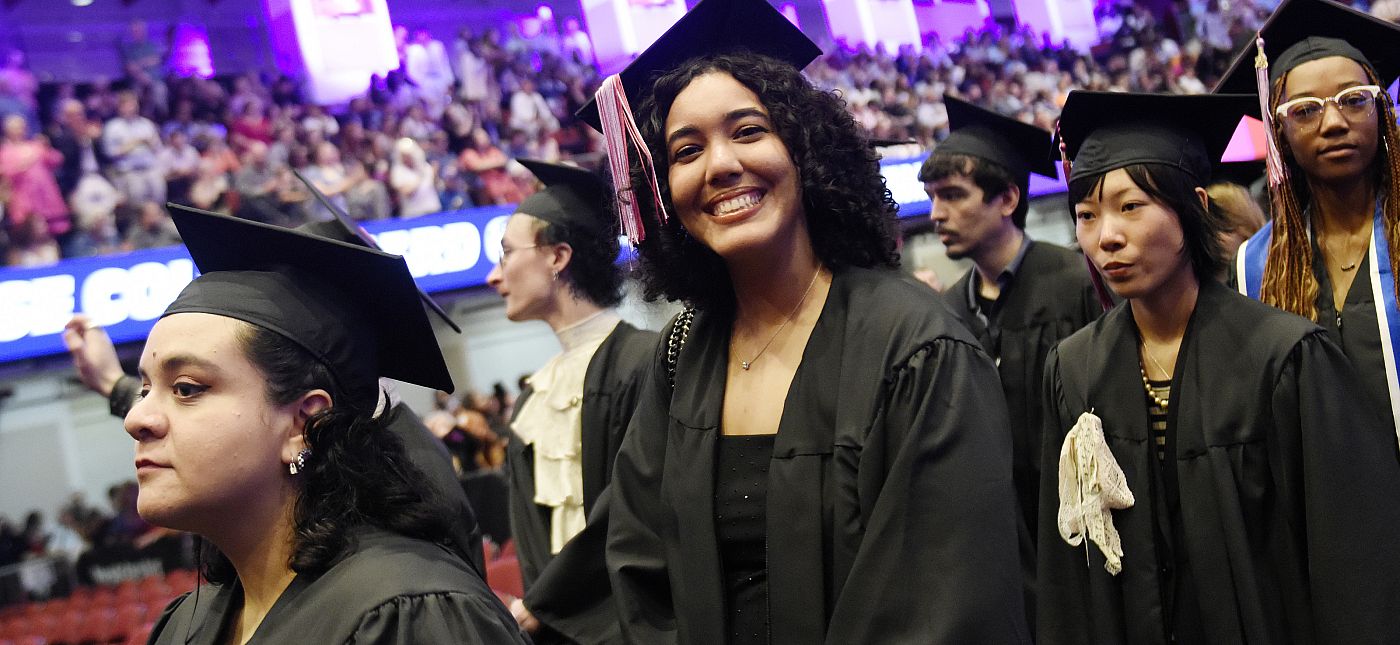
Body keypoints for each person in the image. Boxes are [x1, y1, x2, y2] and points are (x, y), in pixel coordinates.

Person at [579, 0, 1029, 641]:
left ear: (806, 150)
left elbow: (945, 601)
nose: (720, 165)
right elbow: (640, 565)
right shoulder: (682, 356)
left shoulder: (915, 349)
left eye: (748, 131)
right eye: (685, 150)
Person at [1038, 89, 1400, 643]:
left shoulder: (1284, 357)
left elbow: (1351, 559)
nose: (1105, 236)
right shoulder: (1074, 367)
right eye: (1086, 215)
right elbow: (1067, 572)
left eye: (1131, 207)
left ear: (1196, 207)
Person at [103, 205, 528, 643]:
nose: (137, 418)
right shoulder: (183, 627)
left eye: (187, 388)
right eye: (144, 388)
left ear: (304, 422)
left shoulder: (408, 616)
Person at [485, 159, 657, 644]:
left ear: (557, 257)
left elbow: (638, 511)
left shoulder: (643, 364)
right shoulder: (533, 397)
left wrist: (547, 605)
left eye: (506, 255)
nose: (494, 278)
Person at [922, 96, 1100, 557]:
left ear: (1007, 198)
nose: (936, 214)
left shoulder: (1077, 284)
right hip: (996, 539)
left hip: (1080, 527)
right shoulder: (949, 311)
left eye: (953, 195)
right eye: (933, 198)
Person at [1216, 0, 1400, 439]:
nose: (1334, 122)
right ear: (1278, 132)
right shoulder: (1256, 265)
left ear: (1382, 112)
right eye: (1305, 109)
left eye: (1354, 100)